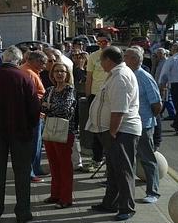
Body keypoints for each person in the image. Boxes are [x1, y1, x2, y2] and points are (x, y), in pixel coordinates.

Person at [0, 46, 40, 223]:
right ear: (18, 61)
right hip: (21, 132)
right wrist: (29, 125)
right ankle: (23, 212)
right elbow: (35, 108)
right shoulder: (25, 77)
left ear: (3, 59)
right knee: (22, 173)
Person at [87, 47, 142, 221]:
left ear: (108, 60)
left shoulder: (120, 77)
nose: (100, 64)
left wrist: (112, 133)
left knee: (123, 170)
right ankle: (110, 203)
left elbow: (119, 110)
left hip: (122, 131)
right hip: (116, 132)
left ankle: (126, 207)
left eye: (101, 61)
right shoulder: (115, 74)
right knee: (113, 170)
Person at [124, 46, 162, 204]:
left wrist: (148, 119)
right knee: (129, 159)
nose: (123, 59)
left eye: (126, 56)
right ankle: (127, 190)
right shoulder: (127, 74)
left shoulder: (144, 76)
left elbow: (157, 104)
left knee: (147, 159)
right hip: (129, 124)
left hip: (144, 124)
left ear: (134, 59)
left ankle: (153, 192)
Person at [42, 62, 77, 209]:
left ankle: (66, 198)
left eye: (62, 71)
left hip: (65, 132)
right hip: (50, 130)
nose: (59, 74)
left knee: (64, 166)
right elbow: (41, 105)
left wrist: (49, 108)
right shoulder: (50, 90)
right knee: (53, 165)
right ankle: (55, 194)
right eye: (56, 71)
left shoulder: (70, 90)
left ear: (67, 74)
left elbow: (65, 110)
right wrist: (48, 108)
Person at [85, 33, 111, 170]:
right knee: (96, 128)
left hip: (111, 95)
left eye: (104, 41)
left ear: (109, 42)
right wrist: (88, 95)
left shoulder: (116, 55)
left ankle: (110, 157)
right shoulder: (93, 56)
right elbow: (89, 77)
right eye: (99, 42)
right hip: (95, 95)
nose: (101, 44)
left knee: (110, 127)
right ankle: (97, 158)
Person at [20, 50, 47, 182]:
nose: (45, 66)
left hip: (36, 113)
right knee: (33, 144)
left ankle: (36, 168)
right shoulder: (28, 73)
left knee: (37, 143)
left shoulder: (31, 71)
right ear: (35, 61)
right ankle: (30, 172)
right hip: (33, 114)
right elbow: (30, 96)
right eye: (43, 63)